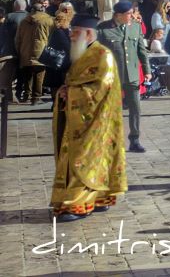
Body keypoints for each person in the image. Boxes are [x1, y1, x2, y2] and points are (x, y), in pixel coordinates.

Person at [49, 14, 127, 221]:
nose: (71, 36)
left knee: (83, 160)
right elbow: (76, 81)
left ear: (89, 33)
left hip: (96, 118)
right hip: (79, 118)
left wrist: (72, 93)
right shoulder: (81, 53)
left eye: (76, 32)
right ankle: (96, 199)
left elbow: (101, 87)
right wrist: (65, 91)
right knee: (83, 158)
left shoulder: (103, 55)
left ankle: (76, 205)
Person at [97, 1, 151, 153]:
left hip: (132, 74)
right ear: (118, 15)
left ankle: (135, 139)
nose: (132, 16)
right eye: (129, 14)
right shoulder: (103, 29)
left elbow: (142, 50)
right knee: (111, 109)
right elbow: (96, 53)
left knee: (135, 108)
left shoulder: (135, 27)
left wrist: (147, 70)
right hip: (112, 76)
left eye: (132, 13)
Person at [15, 0, 53, 104]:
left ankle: (26, 95)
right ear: (42, 9)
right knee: (39, 74)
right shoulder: (48, 20)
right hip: (41, 51)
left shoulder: (24, 21)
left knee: (27, 74)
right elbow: (52, 36)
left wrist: (19, 51)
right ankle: (36, 97)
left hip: (25, 51)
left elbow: (17, 39)